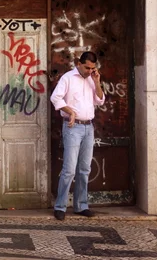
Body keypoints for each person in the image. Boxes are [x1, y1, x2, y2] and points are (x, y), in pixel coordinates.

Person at [50, 52, 104, 221]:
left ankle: (81, 206)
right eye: (87, 67)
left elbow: (100, 100)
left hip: (89, 127)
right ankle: (60, 206)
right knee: (69, 169)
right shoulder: (67, 78)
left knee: (84, 169)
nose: (89, 71)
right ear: (78, 63)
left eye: (92, 68)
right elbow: (55, 98)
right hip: (73, 127)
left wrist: (97, 82)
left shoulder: (91, 79)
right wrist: (70, 111)